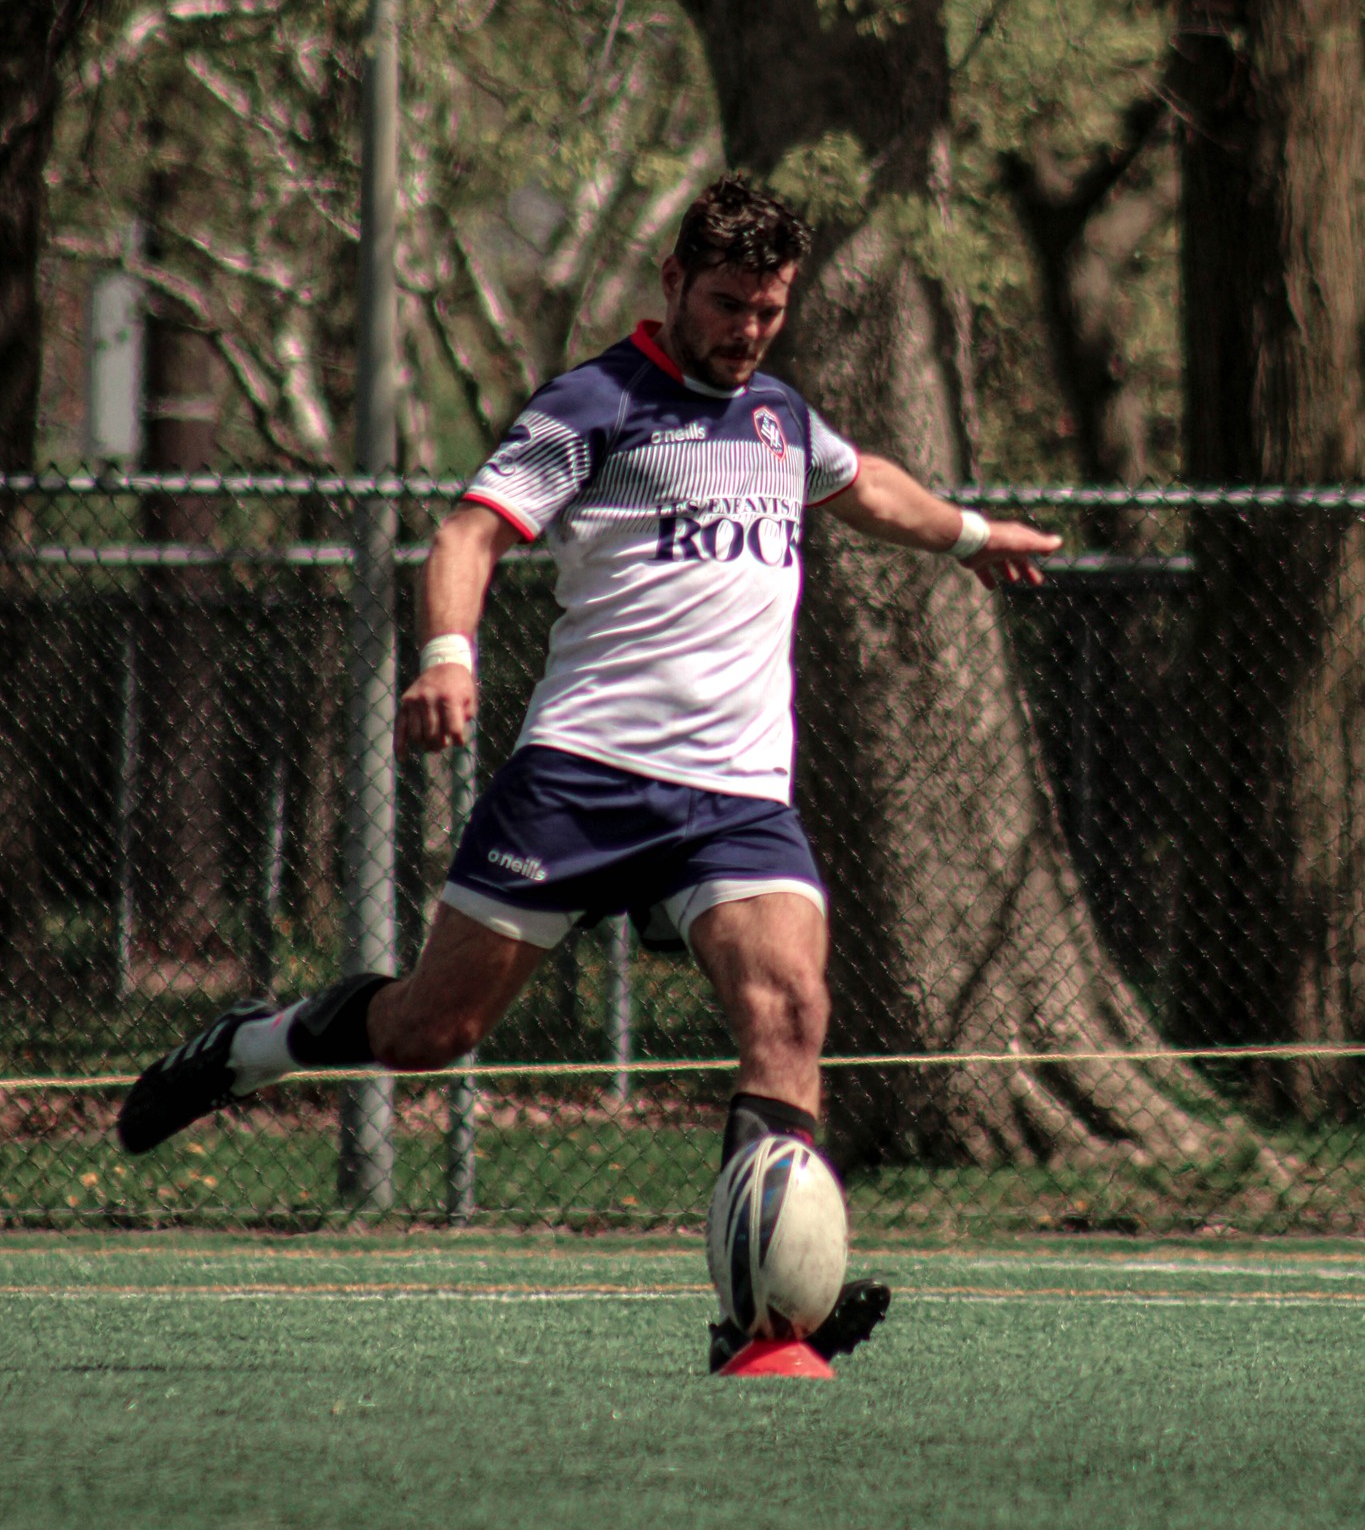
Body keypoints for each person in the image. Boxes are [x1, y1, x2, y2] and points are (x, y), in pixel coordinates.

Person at [118, 175, 1060, 1370]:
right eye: (728, 304)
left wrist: (975, 538)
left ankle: (763, 1317)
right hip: (584, 778)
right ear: (673, 283)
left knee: (791, 1012)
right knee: (429, 1031)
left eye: (770, 310)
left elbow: (862, 480)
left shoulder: (779, 414)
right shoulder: (595, 403)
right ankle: (248, 1047)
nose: (749, 331)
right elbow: (469, 530)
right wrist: (447, 654)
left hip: (736, 798)